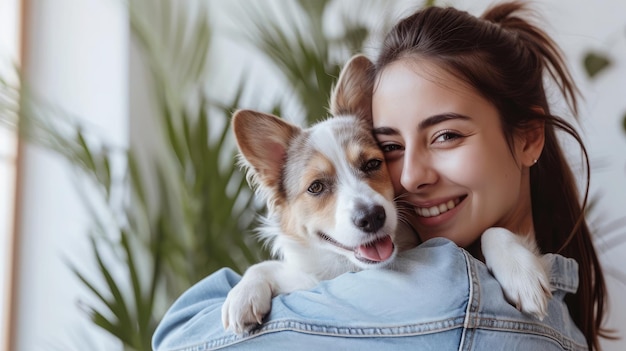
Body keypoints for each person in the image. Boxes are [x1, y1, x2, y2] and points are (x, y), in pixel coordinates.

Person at [152, 2, 610, 350]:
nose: (408, 177)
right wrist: (263, 276)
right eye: (390, 148)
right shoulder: (562, 310)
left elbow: (178, 338)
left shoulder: (447, 294)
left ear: (529, 138)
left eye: (447, 135)